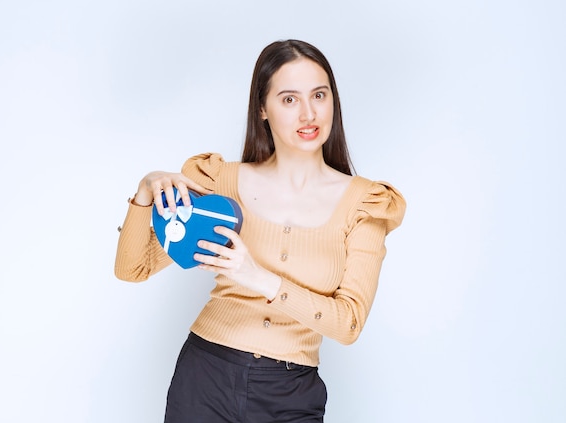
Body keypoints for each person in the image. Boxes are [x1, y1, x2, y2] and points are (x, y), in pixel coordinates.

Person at [114, 39, 406, 423]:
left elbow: (348, 322)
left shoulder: (365, 203)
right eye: (289, 99)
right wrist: (146, 189)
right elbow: (132, 269)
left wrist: (259, 278)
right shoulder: (220, 181)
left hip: (291, 394)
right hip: (206, 376)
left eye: (319, 95)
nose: (308, 113)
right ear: (262, 109)